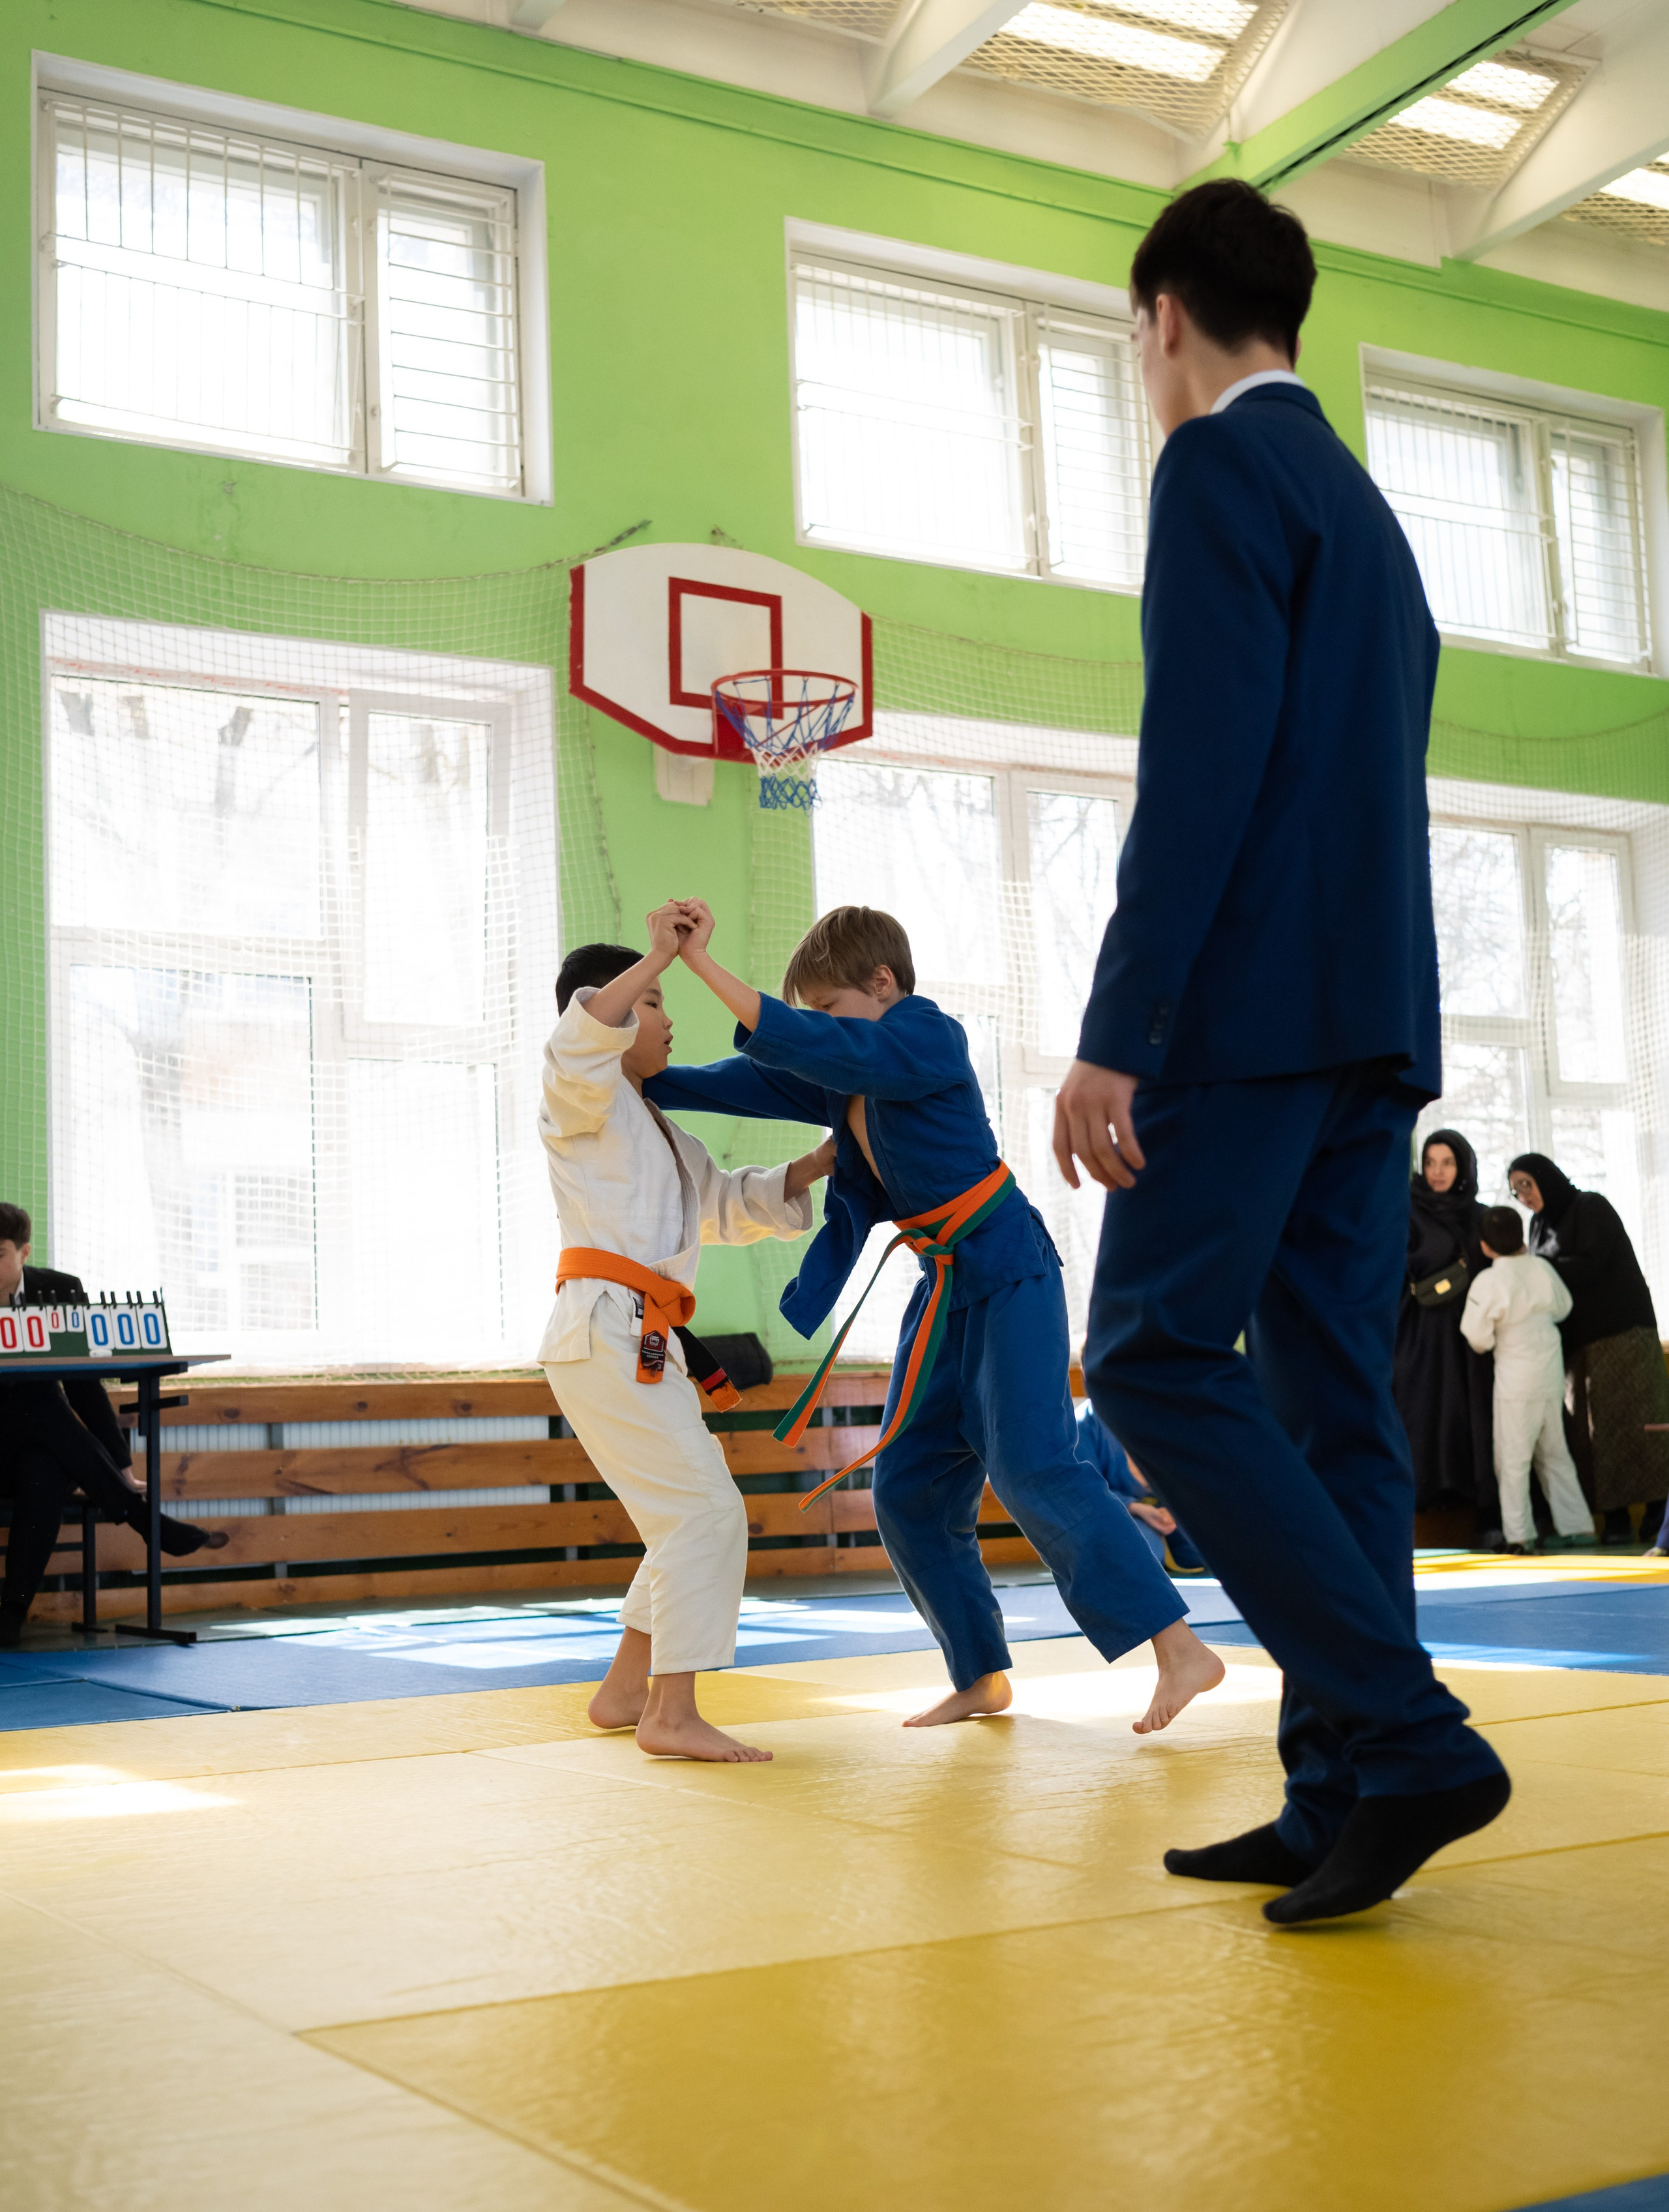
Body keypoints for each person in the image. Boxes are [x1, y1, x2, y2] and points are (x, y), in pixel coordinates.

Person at [1053, 179, 1509, 1927]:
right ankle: (1339, 1792)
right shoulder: (1372, 515)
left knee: (1156, 1355)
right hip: (1373, 1017)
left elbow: (1208, 766)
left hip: (1247, 1017)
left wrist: (1122, 1031)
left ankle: (1404, 1736)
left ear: (1164, 318)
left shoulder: (1217, 469)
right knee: (1334, 1406)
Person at [648, 899, 1226, 1735]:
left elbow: (831, 1046)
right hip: (942, 1287)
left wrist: (703, 964)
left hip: (1007, 1265)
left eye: (835, 1008)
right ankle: (979, 1673)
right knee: (910, 1489)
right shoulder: (850, 1068)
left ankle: (1179, 1648)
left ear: (883, 984)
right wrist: (643, 1078)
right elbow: (753, 1076)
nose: (825, 1030)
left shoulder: (924, 1035)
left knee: (1032, 1467)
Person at [539, 914, 833, 1763]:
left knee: (685, 1516)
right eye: (656, 1002)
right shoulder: (576, 1099)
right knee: (707, 1511)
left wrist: (817, 1166)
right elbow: (580, 1037)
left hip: (643, 1341)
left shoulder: (662, 1131)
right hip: (605, 1327)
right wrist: (660, 953)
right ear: (611, 1015)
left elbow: (732, 1204)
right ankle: (671, 1712)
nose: (667, 1019)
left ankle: (627, 1691)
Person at [0, 1202, 226, 1645]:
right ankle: (142, 1519)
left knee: (44, 1469)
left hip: (37, 1450)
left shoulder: (60, 1290)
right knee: (42, 1402)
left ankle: (11, 1612)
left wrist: (121, 1464)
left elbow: (85, 1387)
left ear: (24, 1253)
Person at [1508, 1153, 1669, 1549]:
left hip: (1623, 1334)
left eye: (1527, 1184)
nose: (1523, 1196)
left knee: (1639, 1425)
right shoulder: (1538, 1226)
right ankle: (1614, 1519)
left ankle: (1659, 1511)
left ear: (1547, 1178)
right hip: (1576, 1344)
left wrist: (1537, 1269)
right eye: (1516, 1190)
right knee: (1591, 1436)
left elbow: (1591, 1264)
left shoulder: (1589, 1206)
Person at [1459, 1205, 1593, 1557]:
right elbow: (1564, 1307)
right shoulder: (1543, 1267)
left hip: (1515, 1382)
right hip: (1550, 1373)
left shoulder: (1488, 1281)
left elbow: (1477, 1338)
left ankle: (1519, 1535)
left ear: (1485, 1247)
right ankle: (1577, 1526)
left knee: (1513, 1459)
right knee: (1555, 1454)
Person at [1394, 1130, 1499, 1544]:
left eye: (1448, 1163)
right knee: (1423, 1412)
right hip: (1421, 1338)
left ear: (1464, 1167)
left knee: (1470, 1415)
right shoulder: (1406, 1211)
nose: (1437, 1172)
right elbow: (1396, 1270)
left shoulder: (1480, 1216)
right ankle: (1425, 1500)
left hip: (1471, 1340)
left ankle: (1483, 1510)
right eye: (1431, 1162)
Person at [1072, 1403, 1207, 1574]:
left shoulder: (1166, 1410)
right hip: (1117, 1512)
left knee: (1209, 1550)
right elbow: (1085, 1489)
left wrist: (1176, 1503)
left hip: (1170, 1505)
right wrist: (1135, 1507)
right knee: (1142, 1552)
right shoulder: (1083, 1424)